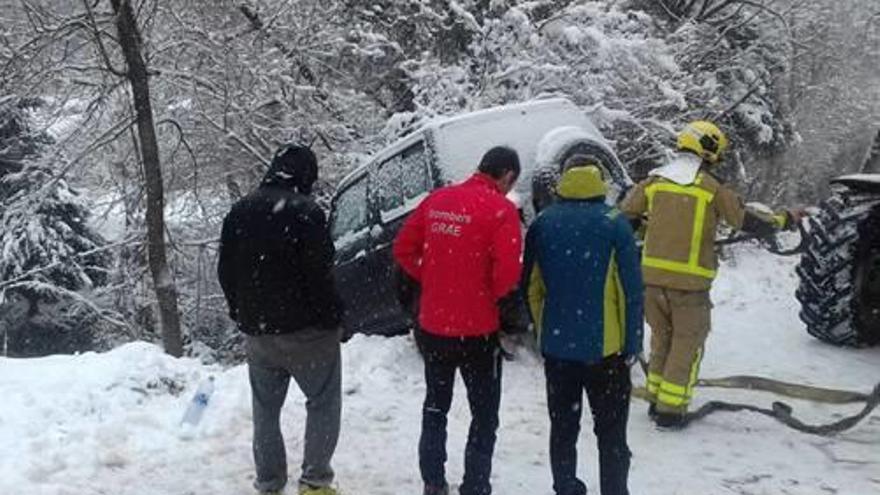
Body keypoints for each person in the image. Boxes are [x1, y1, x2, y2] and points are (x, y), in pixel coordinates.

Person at [620, 121, 802, 428]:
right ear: (709, 151)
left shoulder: (653, 182)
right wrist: (785, 220)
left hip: (652, 284)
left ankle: (656, 400)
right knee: (686, 346)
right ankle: (670, 412)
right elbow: (745, 218)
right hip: (689, 288)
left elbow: (626, 216)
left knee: (662, 341)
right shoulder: (710, 189)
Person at [393, 146, 523, 495]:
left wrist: (431, 275)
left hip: (434, 327)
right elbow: (508, 275)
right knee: (484, 414)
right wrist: (484, 292)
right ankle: (475, 485)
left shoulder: (438, 200)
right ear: (508, 176)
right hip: (478, 331)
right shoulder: (501, 210)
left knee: (435, 406)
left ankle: (433, 483)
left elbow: (403, 248)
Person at [218, 144, 343, 495]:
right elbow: (319, 274)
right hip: (308, 332)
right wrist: (332, 316)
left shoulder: (240, 211)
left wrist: (240, 311)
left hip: (259, 332)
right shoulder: (307, 213)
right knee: (322, 402)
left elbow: (225, 270)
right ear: (306, 176)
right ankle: (315, 482)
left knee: (265, 409)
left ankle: (270, 484)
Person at [522, 156, 644, 495]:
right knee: (611, 433)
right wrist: (632, 344)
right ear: (599, 182)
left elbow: (530, 288)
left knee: (563, 427)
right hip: (607, 352)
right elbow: (632, 291)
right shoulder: (615, 223)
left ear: (564, 182)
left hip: (559, 350)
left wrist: (543, 332)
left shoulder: (543, 224)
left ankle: (566, 486)